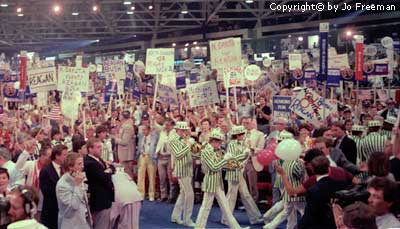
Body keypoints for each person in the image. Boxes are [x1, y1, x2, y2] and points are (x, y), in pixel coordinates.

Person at [195, 129, 249, 229]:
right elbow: (214, 167)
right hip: (210, 182)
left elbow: (224, 165)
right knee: (206, 207)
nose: (220, 144)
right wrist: (225, 160)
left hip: (218, 183)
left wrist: (237, 165)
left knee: (226, 208)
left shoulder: (218, 151)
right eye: (219, 142)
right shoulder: (206, 150)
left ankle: (236, 227)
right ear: (214, 141)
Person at [222, 125, 263, 225]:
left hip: (239, 173)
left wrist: (248, 153)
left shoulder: (244, 144)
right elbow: (232, 159)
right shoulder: (232, 144)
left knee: (246, 195)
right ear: (238, 135)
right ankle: (226, 219)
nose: (243, 135)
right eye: (242, 134)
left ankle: (255, 218)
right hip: (232, 173)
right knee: (231, 196)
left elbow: (246, 157)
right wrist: (244, 155)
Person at [298, 156, 348, 229]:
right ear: (329, 169)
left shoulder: (313, 191)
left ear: (313, 171)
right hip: (341, 223)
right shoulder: (342, 184)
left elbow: (310, 216)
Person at [84, 138, 114, 229]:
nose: (100, 149)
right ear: (90, 149)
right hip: (99, 200)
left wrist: (108, 170)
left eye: (100, 147)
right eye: (98, 147)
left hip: (106, 198)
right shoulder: (89, 162)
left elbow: (112, 168)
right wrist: (108, 171)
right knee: (101, 225)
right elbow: (104, 178)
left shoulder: (98, 159)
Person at [169, 121, 195, 227]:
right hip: (181, 170)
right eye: (183, 130)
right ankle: (187, 219)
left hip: (188, 169)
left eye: (185, 130)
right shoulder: (172, 140)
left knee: (183, 194)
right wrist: (188, 145)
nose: (184, 132)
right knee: (189, 195)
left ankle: (175, 216)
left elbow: (192, 153)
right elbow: (178, 155)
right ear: (177, 130)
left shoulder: (186, 140)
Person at [56, 153, 91, 229]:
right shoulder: (62, 185)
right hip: (70, 224)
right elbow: (74, 205)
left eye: (82, 163)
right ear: (70, 167)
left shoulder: (78, 177)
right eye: (79, 164)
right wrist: (77, 186)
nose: (82, 166)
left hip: (83, 222)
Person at [39, 144, 68, 229]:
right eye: (64, 155)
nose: (66, 157)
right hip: (52, 211)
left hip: (64, 211)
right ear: (57, 156)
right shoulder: (46, 170)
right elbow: (46, 191)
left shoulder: (66, 169)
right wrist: (63, 189)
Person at [242, 116, 265, 203]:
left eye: (247, 123)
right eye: (244, 123)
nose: (245, 125)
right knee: (243, 183)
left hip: (252, 160)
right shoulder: (241, 133)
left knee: (252, 183)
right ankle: (245, 202)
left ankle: (254, 201)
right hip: (242, 161)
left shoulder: (259, 134)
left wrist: (252, 148)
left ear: (252, 123)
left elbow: (261, 149)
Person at [155, 118, 176, 202]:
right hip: (161, 156)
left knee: (171, 178)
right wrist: (152, 116)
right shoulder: (162, 132)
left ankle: (171, 196)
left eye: (168, 125)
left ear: (172, 125)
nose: (166, 126)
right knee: (162, 177)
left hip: (170, 157)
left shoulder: (175, 133)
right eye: (165, 125)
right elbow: (155, 125)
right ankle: (163, 195)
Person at [136, 125, 159, 201]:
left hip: (151, 157)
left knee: (151, 177)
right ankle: (140, 194)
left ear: (149, 130)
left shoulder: (154, 137)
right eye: (142, 130)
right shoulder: (141, 137)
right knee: (140, 176)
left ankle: (151, 195)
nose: (143, 131)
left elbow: (156, 131)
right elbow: (139, 146)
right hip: (142, 156)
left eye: (145, 130)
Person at [114, 110, 136, 178]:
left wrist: (115, 139)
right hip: (123, 154)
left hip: (126, 155)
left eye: (120, 115)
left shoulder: (128, 127)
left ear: (122, 117)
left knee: (128, 174)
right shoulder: (123, 126)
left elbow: (124, 141)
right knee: (125, 174)